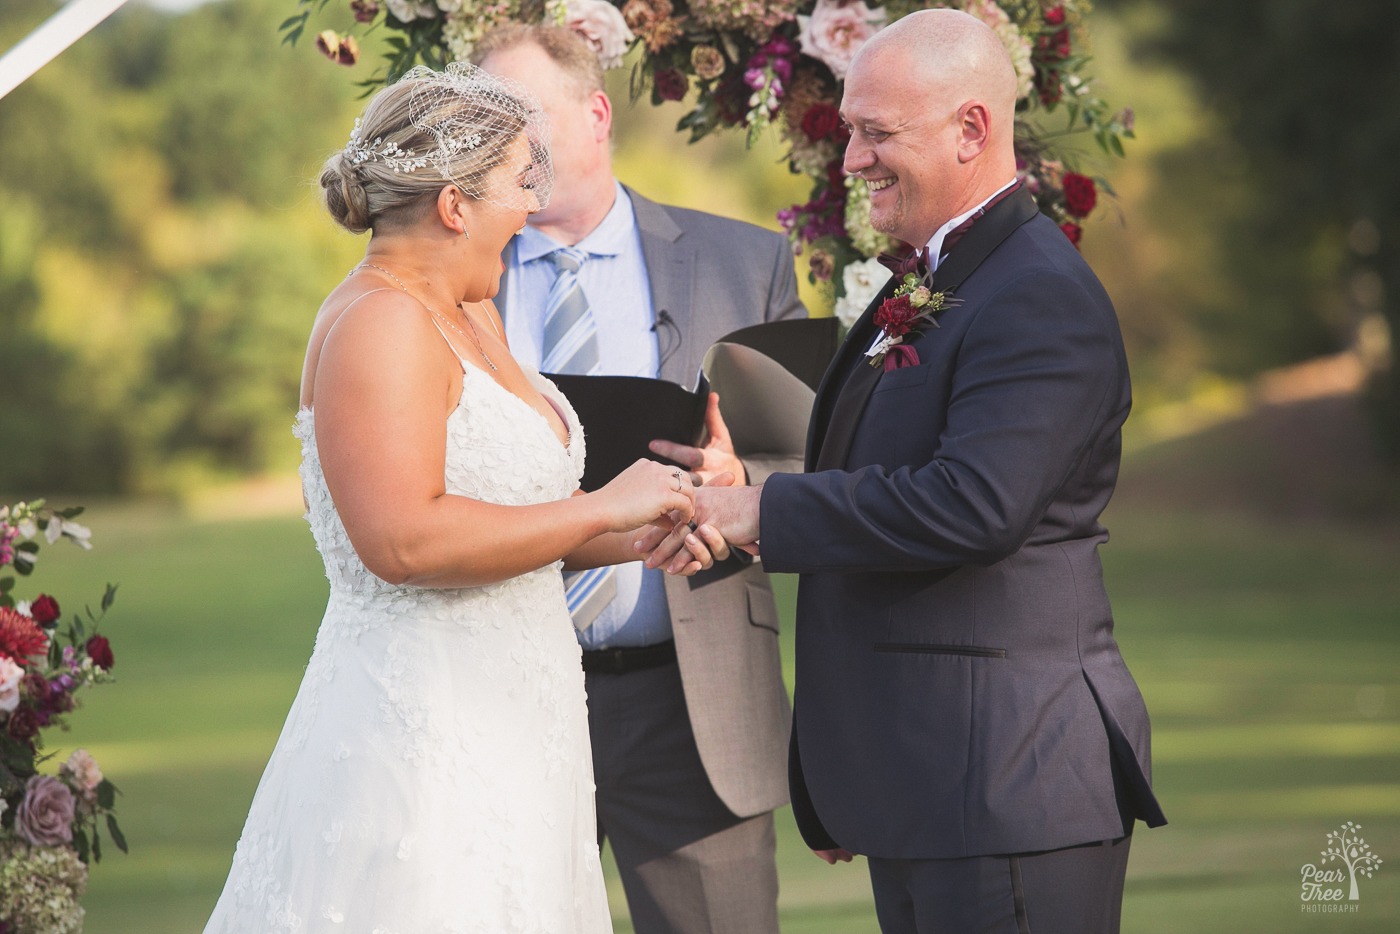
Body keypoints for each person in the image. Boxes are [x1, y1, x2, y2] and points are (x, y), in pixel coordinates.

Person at [644, 10, 1167, 933]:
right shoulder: (938, 275)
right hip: (927, 782)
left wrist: (759, 512)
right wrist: (741, 484)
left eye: (877, 134)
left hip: (1007, 785)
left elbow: (975, 506)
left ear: (972, 129)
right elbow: (893, 465)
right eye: (850, 129)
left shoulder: (1037, 294)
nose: (851, 159)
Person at [203, 62, 725, 933]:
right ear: (454, 205)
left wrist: (649, 524)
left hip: (526, 727)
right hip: (425, 733)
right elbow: (403, 540)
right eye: (523, 183)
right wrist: (604, 505)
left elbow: (514, 524)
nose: (534, 208)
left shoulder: (468, 311)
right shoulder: (380, 321)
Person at [471, 25, 805, 934]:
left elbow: (811, 460)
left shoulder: (745, 264)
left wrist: (741, 486)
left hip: (689, 707)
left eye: (524, 118)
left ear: (596, 114)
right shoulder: (454, 281)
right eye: (485, 125)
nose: (506, 149)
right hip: (496, 700)